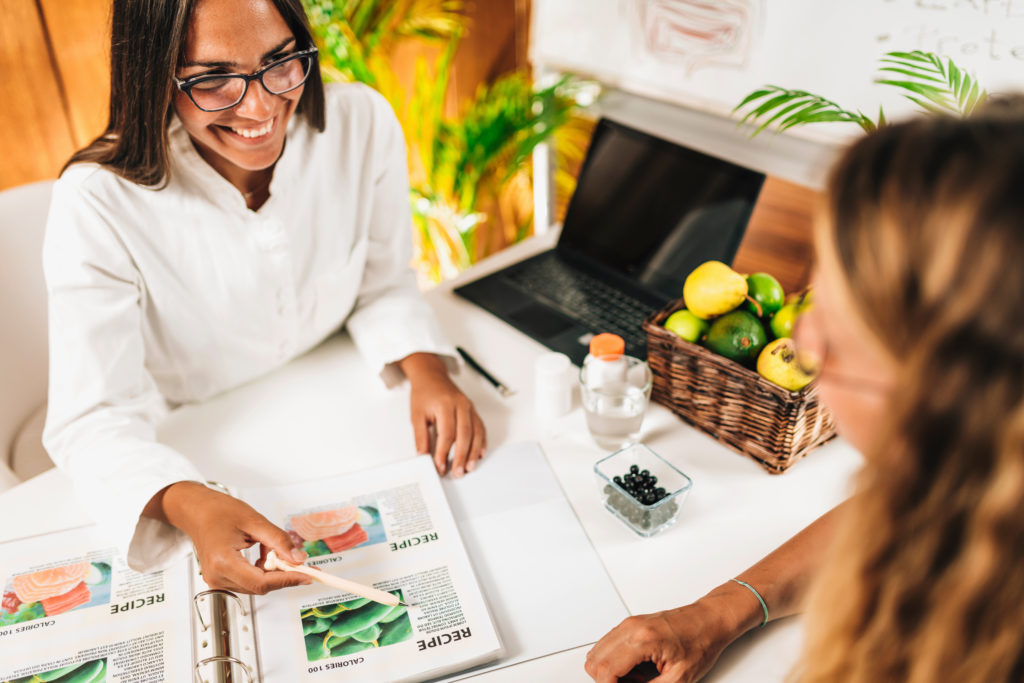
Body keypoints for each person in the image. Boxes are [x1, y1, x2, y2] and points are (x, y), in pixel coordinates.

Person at [42, 0, 486, 595]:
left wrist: (427, 367)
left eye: (281, 62)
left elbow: (382, 282)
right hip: (199, 431)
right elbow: (91, 419)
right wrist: (190, 504)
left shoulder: (361, 123)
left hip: (341, 411)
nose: (261, 106)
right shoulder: (98, 203)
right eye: (212, 79)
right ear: (155, 74)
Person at [585, 102, 1024, 682]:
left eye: (841, 312)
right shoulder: (976, 476)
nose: (801, 335)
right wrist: (714, 614)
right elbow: (895, 505)